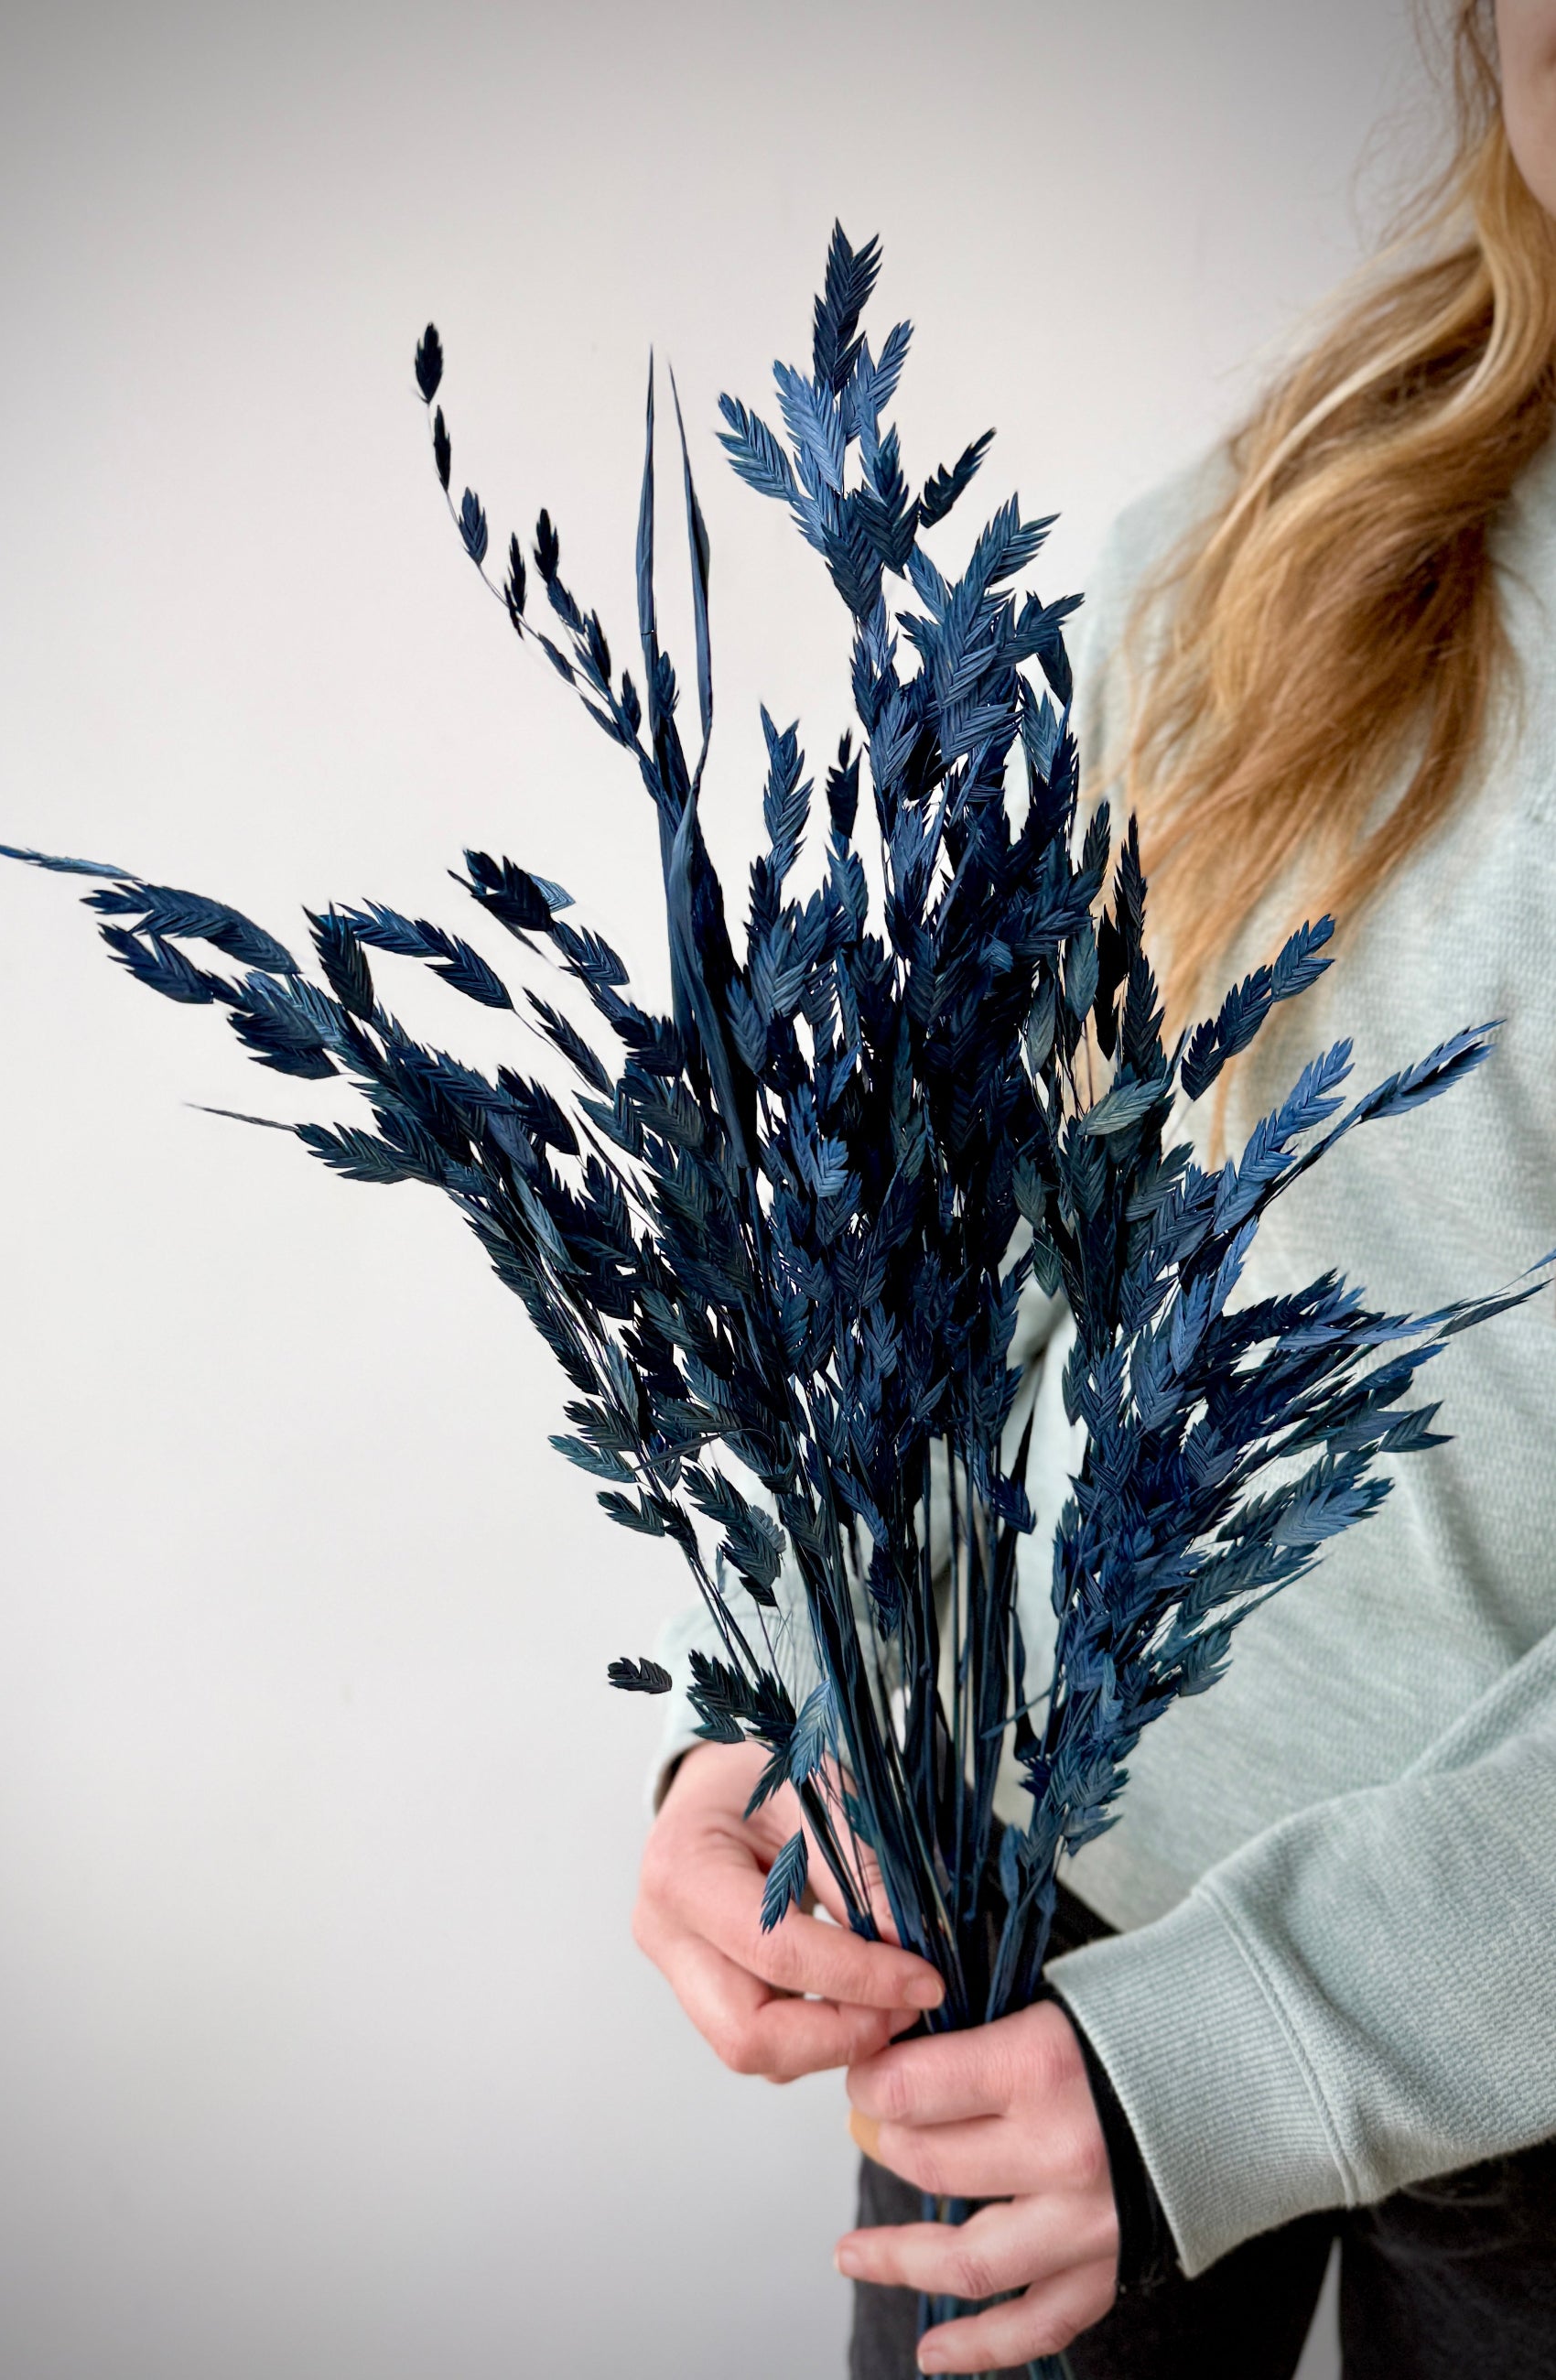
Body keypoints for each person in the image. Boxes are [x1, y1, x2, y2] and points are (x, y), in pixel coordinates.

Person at [632, 3, 1556, 2372]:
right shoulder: (1282, 537)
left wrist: (1242, 2059)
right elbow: (991, 1233)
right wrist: (811, 1712)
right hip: (1045, 1936)